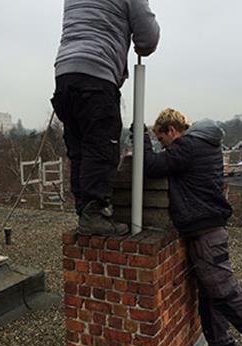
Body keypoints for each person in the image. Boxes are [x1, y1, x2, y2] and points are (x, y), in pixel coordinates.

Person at [143, 108, 242, 346]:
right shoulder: (203, 144)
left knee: (225, 290)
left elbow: (153, 166)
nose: (162, 146)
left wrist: (141, 139)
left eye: (161, 140)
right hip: (205, 230)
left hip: (206, 233)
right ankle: (221, 344)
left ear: (172, 130)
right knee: (210, 291)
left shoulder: (188, 146)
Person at [51, 0, 160, 236]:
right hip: (97, 74)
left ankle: (85, 213)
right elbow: (148, 39)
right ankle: (94, 215)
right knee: (102, 148)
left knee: (80, 149)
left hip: (64, 75)